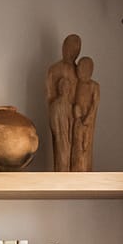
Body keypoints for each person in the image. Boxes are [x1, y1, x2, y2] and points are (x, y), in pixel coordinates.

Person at [46, 34, 81, 172]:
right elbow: (49, 95)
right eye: (67, 48)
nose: (70, 53)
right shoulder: (54, 69)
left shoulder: (79, 71)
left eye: (74, 51)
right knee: (61, 149)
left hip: (72, 116)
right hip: (59, 117)